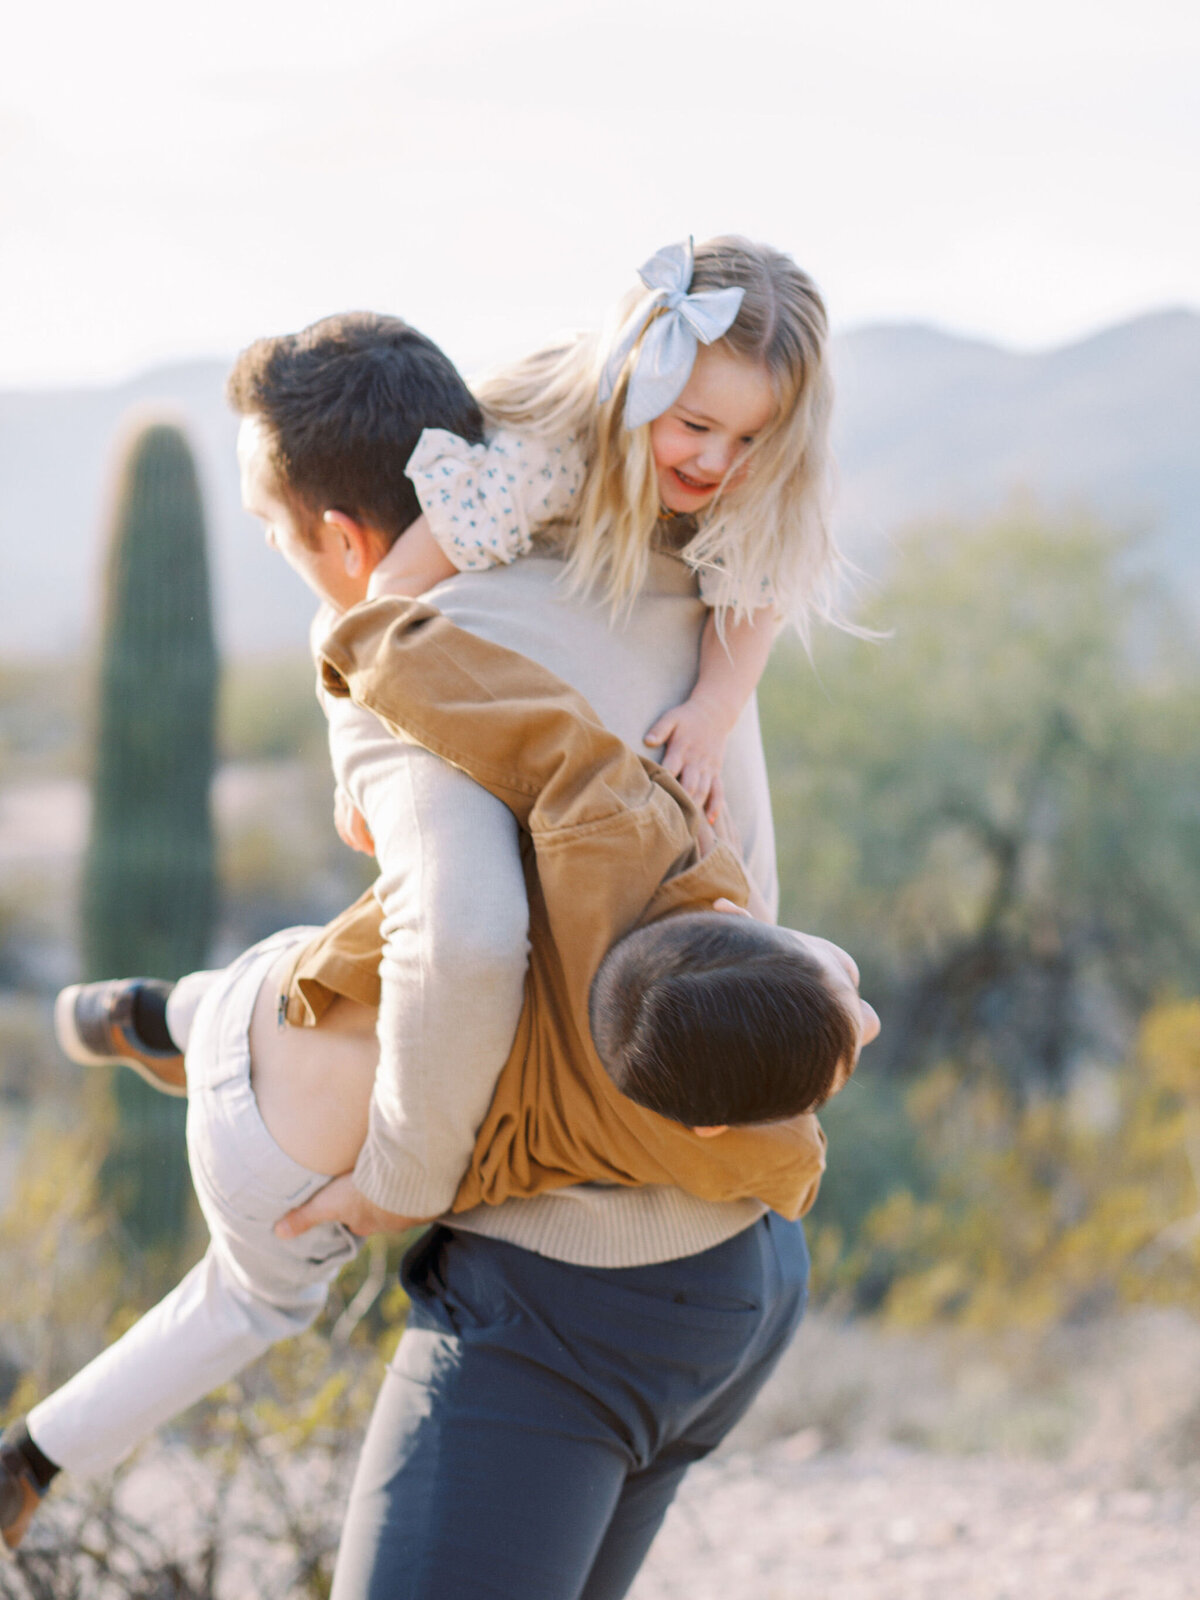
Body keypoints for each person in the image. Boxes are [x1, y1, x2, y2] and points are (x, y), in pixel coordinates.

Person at [3, 287, 866, 1596]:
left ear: (343, 537)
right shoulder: (693, 572)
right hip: (746, 1265)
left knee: (366, 991)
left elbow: (466, 943)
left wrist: (403, 1185)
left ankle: (182, 1021)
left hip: (569, 1291)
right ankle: (183, 1016)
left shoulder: (420, 657)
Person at [361, 233, 841, 825]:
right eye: (694, 425)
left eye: (752, 439)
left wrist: (711, 713)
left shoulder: (758, 484)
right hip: (532, 624)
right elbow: (393, 585)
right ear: (640, 385)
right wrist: (368, 757)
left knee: (723, 777)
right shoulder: (547, 454)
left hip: (641, 629)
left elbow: (748, 604)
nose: (717, 462)